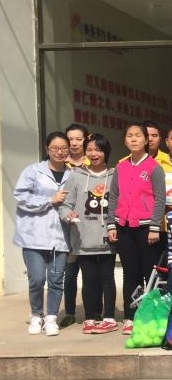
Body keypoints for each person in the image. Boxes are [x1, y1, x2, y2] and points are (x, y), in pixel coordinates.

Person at [106, 122, 166, 335]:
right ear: (125, 140)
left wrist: (154, 226)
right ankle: (131, 316)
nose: (133, 139)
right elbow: (113, 196)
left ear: (146, 140)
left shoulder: (154, 167)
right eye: (129, 135)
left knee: (150, 273)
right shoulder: (121, 167)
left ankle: (152, 315)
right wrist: (111, 223)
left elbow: (160, 199)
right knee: (130, 273)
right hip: (124, 227)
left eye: (138, 135)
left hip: (146, 228)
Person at [59, 133, 119, 334]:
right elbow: (65, 205)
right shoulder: (76, 175)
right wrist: (68, 215)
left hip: (108, 238)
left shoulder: (115, 175)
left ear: (106, 152)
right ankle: (90, 317)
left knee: (108, 279)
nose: (94, 154)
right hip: (83, 238)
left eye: (98, 150)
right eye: (90, 150)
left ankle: (109, 316)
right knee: (89, 280)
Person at [13, 132, 72, 336]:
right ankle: (36, 315)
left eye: (64, 148)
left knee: (56, 280)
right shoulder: (33, 171)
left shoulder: (73, 174)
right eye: (55, 148)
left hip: (60, 236)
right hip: (34, 235)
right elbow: (20, 196)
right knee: (37, 279)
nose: (59, 152)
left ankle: (51, 317)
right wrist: (49, 200)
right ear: (47, 149)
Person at [60, 122, 90, 329]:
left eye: (79, 139)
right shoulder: (60, 163)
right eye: (70, 139)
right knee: (70, 274)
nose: (74, 143)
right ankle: (69, 312)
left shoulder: (93, 160)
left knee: (90, 274)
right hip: (67, 225)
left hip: (88, 225)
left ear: (86, 140)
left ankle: (92, 312)